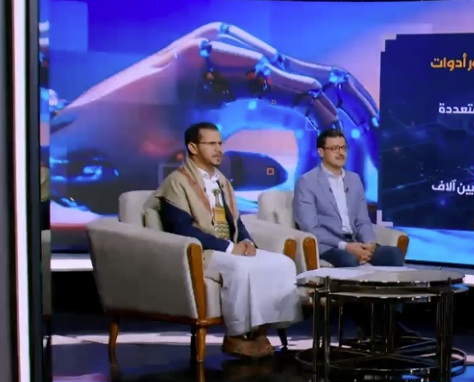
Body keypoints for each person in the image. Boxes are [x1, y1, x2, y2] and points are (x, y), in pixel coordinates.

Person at [155, 122, 300, 358]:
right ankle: (235, 336)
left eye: (220, 143)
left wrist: (247, 242)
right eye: (211, 144)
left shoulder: (221, 179)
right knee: (241, 268)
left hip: (228, 247)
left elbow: (235, 221)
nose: (219, 149)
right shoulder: (177, 182)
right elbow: (181, 230)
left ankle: (260, 330)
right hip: (201, 252)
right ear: (193, 147)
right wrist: (230, 248)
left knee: (283, 263)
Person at [293, 129, 404, 268]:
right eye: (334, 148)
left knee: (395, 254)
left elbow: (363, 221)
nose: (340, 153)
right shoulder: (306, 182)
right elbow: (311, 227)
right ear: (321, 152)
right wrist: (346, 246)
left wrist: (370, 245)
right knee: (349, 260)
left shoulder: (354, 179)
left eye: (343, 148)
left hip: (356, 241)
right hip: (329, 246)